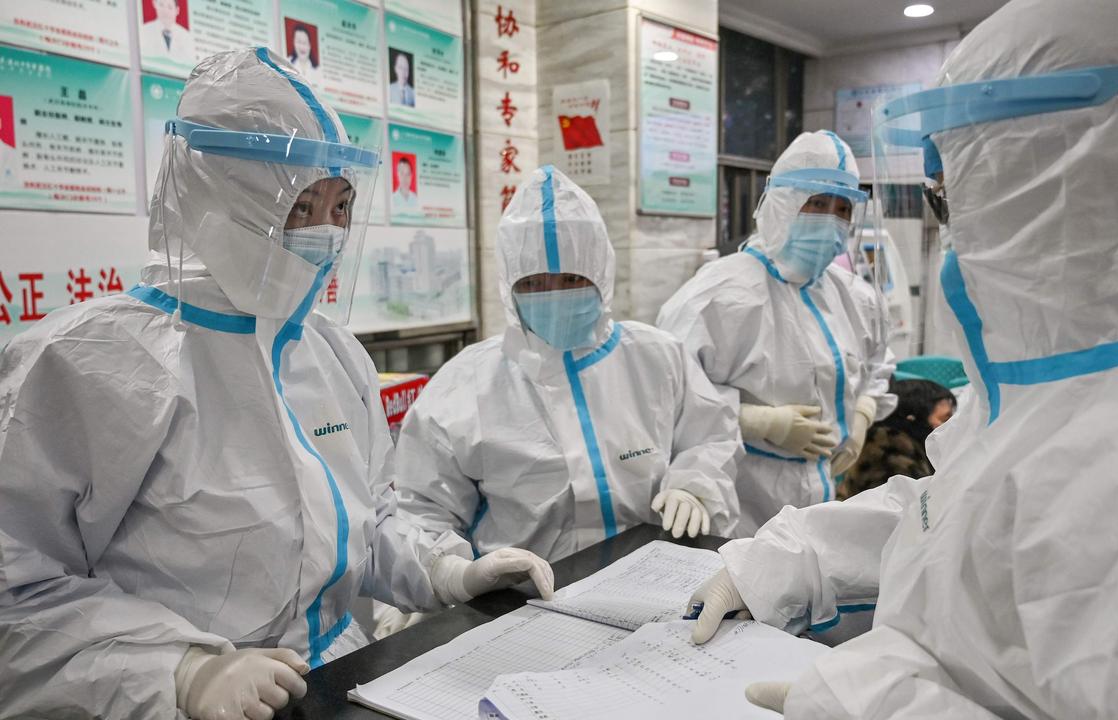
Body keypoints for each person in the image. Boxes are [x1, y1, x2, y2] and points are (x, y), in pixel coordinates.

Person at [685, 0, 1118, 717]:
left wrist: (879, 704)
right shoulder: (1088, 379)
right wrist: (782, 559)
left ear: (1066, 184)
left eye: (966, 191)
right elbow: (958, 513)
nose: (959, 230)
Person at [0, 47, 552, 720]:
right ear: (216, 196)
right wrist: (179, 670)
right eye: (299, 207)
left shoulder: (330, 353)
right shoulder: (88, 365)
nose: (327, 233)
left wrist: (446, 571)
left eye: (342, 205)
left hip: (339, 680)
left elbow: (366, 520)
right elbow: (16, 600)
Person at [395, 164, 740, 562]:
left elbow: (710, 437)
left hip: (653, 576)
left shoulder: (658, 356)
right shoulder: (467, 384)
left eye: (572, 280)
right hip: (522, 600)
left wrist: (693, 484)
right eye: (535, 284)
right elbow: (423, 509)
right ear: (510, 287)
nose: (554, 296)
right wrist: (454, 574)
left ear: (601, 275)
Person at [657, 131, 897, 536]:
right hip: (742, 502)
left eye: (842, 208)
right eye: (817, 203)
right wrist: (756, 421)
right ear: (783, 203)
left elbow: (877, 366)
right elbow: (669, 395)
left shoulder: (854, 296)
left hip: (822, 498)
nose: (831, 219)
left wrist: (861, 416)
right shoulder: (717, 297)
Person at [835, 378, 954, 500]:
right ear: (913, 417)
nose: (949, 426)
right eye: (944, 419)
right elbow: (903, 510)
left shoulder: (891, 440)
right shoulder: (887, 449)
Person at [140, 0, 195, 65]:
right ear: (155, 4)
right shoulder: (144, 31)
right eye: (161, 5)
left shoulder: (186, 36)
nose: (165, 11)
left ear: (177, 10)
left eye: (170, 7)